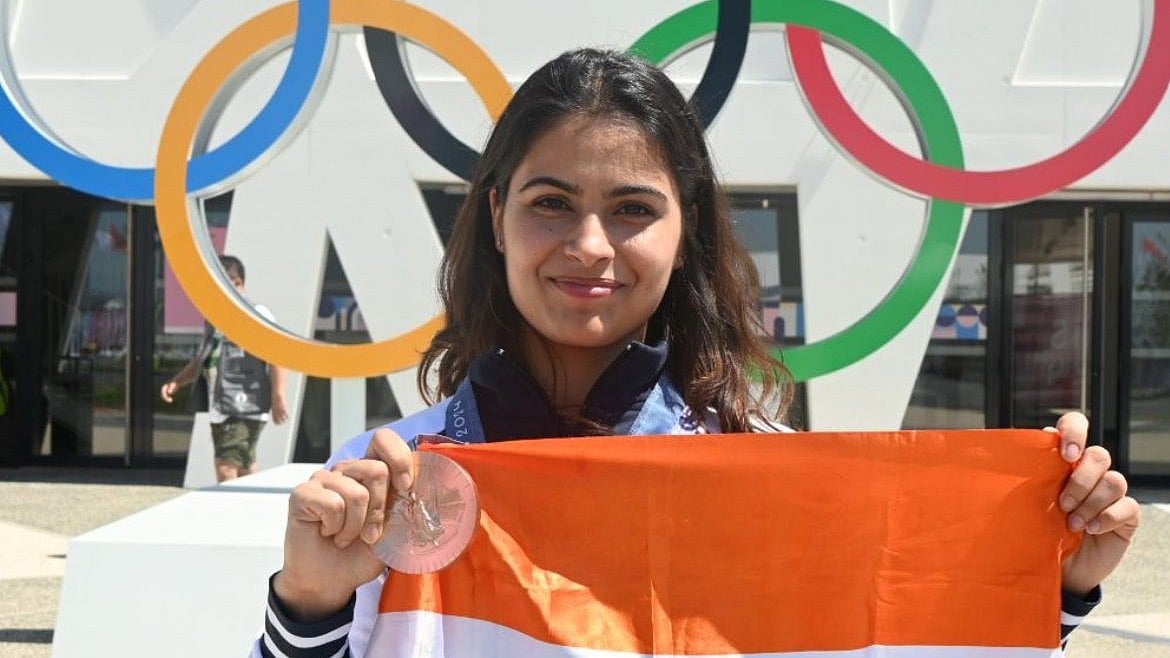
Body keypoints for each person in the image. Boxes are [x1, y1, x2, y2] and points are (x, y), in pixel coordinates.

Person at [251, 49, 1140, 658]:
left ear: (687, 231)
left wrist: (1051, 585)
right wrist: (310, 602)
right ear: (495, 216)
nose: (590, 245)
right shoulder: (391, 480)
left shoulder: (765, 468)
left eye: (634, 208)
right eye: (551, 202)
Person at [162, 255, 288, 482]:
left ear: (238, 282)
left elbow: (278, 355)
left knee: (225, 466)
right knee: (244, 465)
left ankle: (230, 512)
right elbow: (204, 359)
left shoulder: (257, 313)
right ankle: (254, 511)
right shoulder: (215, 316)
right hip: (221, 404)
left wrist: (278, 396)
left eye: (225, 284)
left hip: (244, 405)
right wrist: (177, 381)